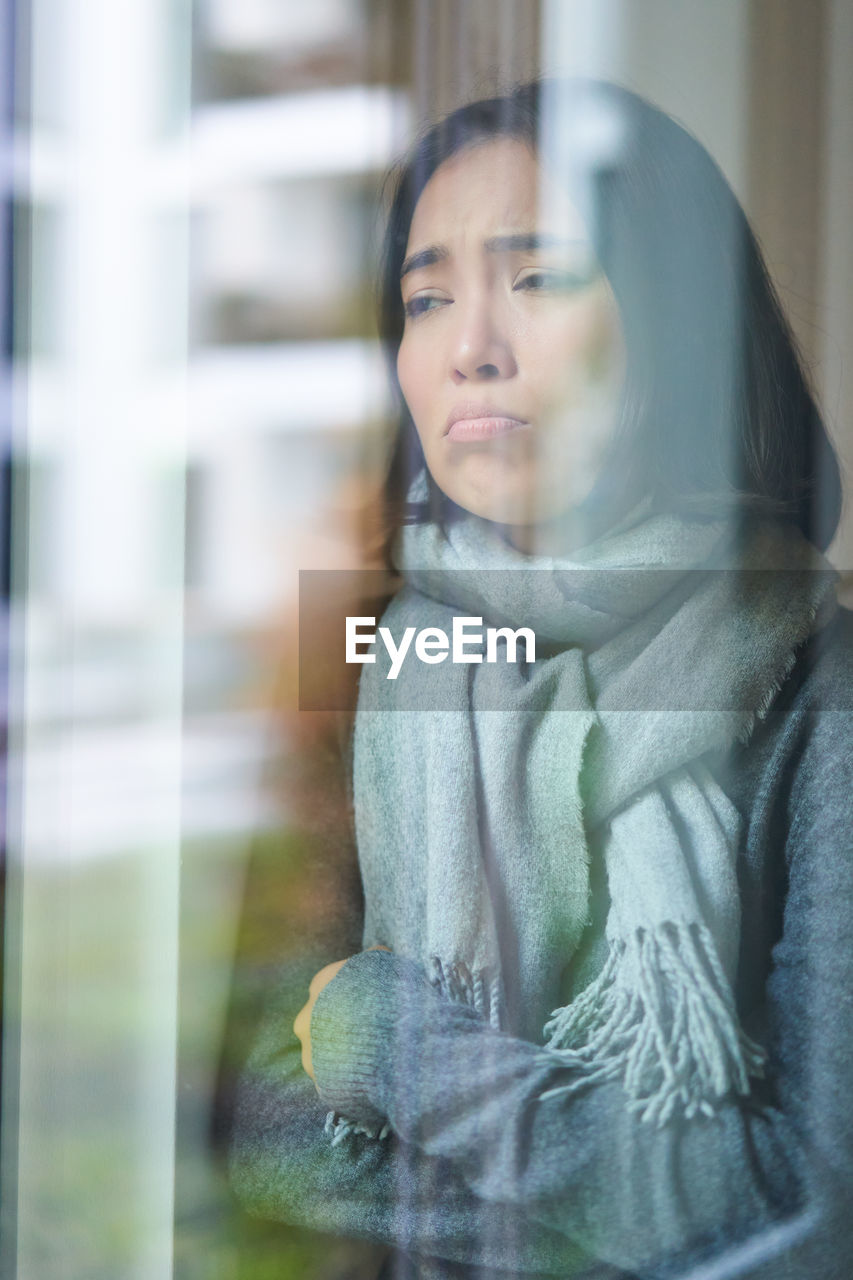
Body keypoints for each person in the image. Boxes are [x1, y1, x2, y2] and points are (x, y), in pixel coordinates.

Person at [229, 80, 853, 1279]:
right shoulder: (385, 670)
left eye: (538, 277)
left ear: (681, 317)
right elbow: (272, 1140)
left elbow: (803, 1213)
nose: (470, 347)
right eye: (425, 296)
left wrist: (399, 1044)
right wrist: (630, 1190)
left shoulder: (820, 694)